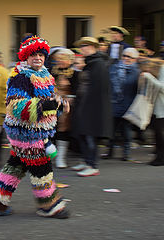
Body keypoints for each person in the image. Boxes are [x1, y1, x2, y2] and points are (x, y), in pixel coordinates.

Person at [0, 36, 70, 218]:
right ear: (25, 57)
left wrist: (60, 105)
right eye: (33, 55)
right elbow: (16, 106)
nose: (37, 58)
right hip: (25, 133)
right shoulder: (20, 77)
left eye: (41, 54)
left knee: (16, 166)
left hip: (35, 131)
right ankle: (49, 205)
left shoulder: (45, 75)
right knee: (41, 168)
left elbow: (50, 101)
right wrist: (50, 105)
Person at [71, 37, 113, 177]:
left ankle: (93, 165)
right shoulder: (90, 62)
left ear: (94, 47)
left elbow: (98, 89)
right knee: (82, 134)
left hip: (92, 106)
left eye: (86, 45)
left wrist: (89, 107)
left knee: (90, 136)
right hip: (84, 104)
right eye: (82, 46)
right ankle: (86, 161)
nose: (83, 48)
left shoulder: (97, 63)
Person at [102, 48, 140, 161]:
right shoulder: (114, 68)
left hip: (128, 105)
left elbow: (137, 90)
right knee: (111, 130)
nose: (126, 58)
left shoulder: (137, 72)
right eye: (125, 56)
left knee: (126, 130)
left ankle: (126, 153)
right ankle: (110, 152)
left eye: (130, 57)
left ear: (135, 59)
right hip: (114, 103)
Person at [50, 48, 75, 168]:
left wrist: (70, 97)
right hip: (52, 104)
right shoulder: (52, 72)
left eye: (63, 58)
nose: (60, 60)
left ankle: (61, 158)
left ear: (70, 60)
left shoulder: (74, 73)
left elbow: (76, 89)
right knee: (50, 129)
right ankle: (50, 154)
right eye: (58, 58)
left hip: (66, 107)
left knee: (63, 131)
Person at [139, 59, 164, 166]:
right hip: (156, 108)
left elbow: (162, 87)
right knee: (158, 135)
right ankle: (159, 157)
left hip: (161, 109)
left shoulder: (162, 69)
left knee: (160, 136)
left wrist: (149, 77)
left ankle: (160, 158)